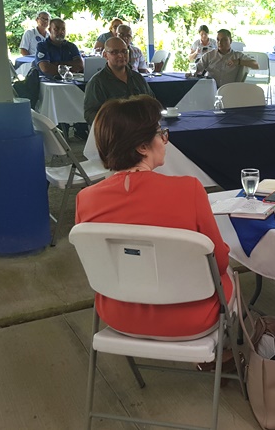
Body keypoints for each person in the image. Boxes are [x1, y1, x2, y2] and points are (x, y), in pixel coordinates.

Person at [75, 95, 233, 339]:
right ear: (142, 147)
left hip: (117, 314)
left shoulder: (85, 199)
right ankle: (227, 360)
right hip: (190, 318)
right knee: (230, 276)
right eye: (161, 133)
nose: (165, 140)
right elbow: (219, 263)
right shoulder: (189, 190)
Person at [84, 37, 155, 125]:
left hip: (141, 129)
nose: (121, 55)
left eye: (124, 51)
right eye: (115, 52)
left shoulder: (137, 78)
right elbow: (90, 114)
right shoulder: (97, 82)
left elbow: (152, 102)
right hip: (115, 132)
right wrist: (112, 123)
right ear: (105, 55)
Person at [189, 29, 259, 87]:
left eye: (224, 40)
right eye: (218, 40)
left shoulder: (237, 55)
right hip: (210, 90)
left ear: (230, 41)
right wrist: (192, 73)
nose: (220, 42)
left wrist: (238, 62)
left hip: (229, 91)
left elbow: (256, 65)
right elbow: (197, 69)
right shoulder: (209, 55)